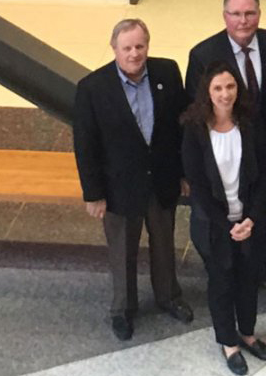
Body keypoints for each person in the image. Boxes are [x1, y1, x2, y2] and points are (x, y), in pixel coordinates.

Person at [73, 18, 193, 341]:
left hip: (162, 181)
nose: (134, 54)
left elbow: (180, 127)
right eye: (127, 48)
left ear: (147, 45)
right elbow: (85, 145)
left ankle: (168, 297)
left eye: (140, 46)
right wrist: (93, 193)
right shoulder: (92, 88)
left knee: (164, 244)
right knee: (122, 251)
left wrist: (183, 172)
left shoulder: (167, 72)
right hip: (118, 189)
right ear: (114, 48)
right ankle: (123, 309)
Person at [185, 0, 266, 301]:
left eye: (249, 13)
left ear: (259, 14)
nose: (243, 21)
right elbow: (195, 108)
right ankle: (228, 268)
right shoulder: (203, 55)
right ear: (225, 16)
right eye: (236, 14)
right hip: (227, 147)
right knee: (231, 204)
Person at [181, 61, 266, 375]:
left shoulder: (250, 122)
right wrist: (229, 225)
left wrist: (250, 219)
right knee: (221, 283)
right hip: (214, 226)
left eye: (231, 86)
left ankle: (247, 333)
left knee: (248, 281)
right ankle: (228, 342)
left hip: (250, 222)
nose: (225, 94)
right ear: (207, 92)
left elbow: (264, 175)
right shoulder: (195, 129)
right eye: (218, 88)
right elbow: (198, 186)